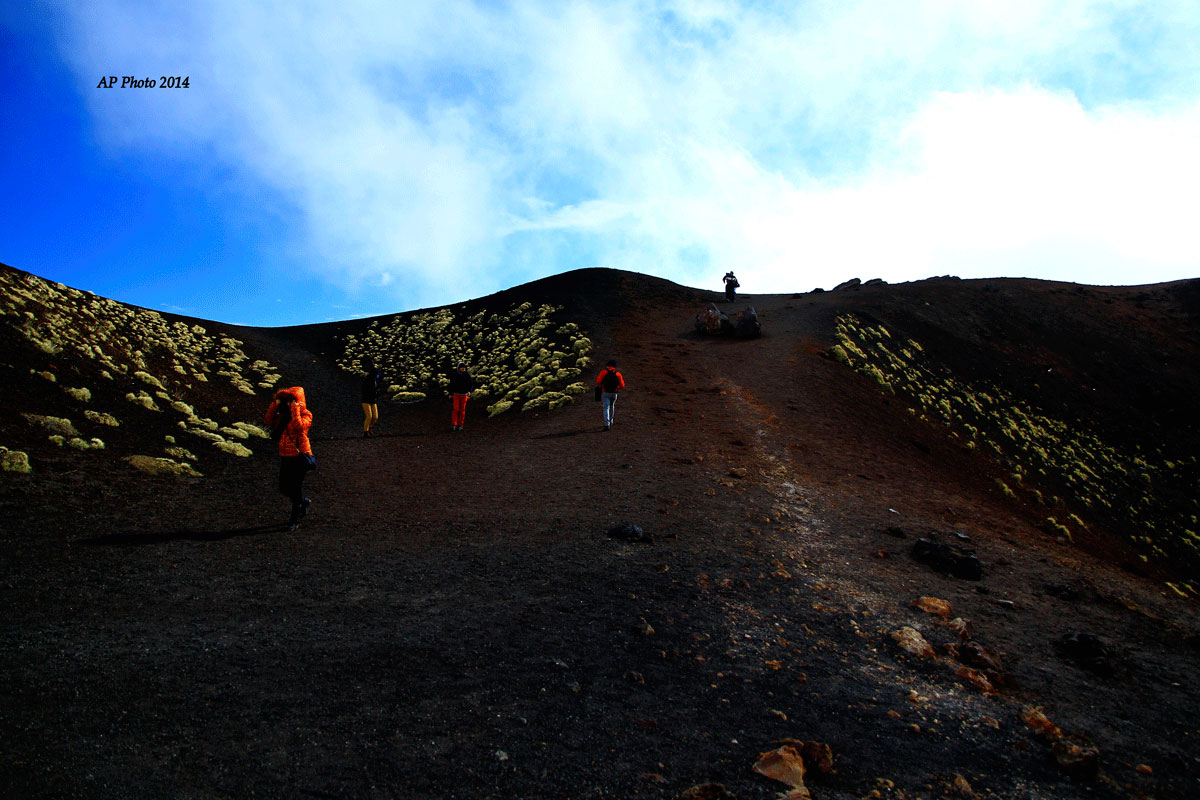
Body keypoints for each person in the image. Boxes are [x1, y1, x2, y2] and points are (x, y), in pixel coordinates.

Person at [265, 386, 314, 531]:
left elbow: (299, 427)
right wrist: (275, 403)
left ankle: (294, 519)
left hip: (300, 456)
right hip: (286, 455)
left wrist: (295, 409)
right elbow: (268, 421)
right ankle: (302, 503)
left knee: (295, 487)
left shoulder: (306, 415)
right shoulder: (283, 415)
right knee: (283, 487)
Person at [595, 359, 625, 431]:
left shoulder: (604, 372)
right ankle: (611, 421)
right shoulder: (618, 374)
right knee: (612, 406)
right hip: (614, 393)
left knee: (606, 408)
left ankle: (606, 424)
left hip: (605, 392)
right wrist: (617, 388)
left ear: (607, 365)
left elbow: (598, 381)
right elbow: (622, 386)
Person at [447, 360, 474, 431]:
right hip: (456, 394)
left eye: (464, 367)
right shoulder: (454, 374)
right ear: (458, 367)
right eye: (461, 367)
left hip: (464, 394)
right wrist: (450, 393)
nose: (463, 368)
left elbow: (470, 383)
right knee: (455, 409)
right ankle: (454, 424)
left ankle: (460, 424)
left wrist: (469, 391)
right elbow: (451, 384)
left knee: (462, 410)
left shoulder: (466, 375)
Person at [361, 364, 381, 438]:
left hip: (373, 400)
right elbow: (365, 391)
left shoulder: (375, 381)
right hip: (366, 400)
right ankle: (366, 432)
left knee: (375, 417)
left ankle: (370, 427)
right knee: (369, 416)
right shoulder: (367, 381)